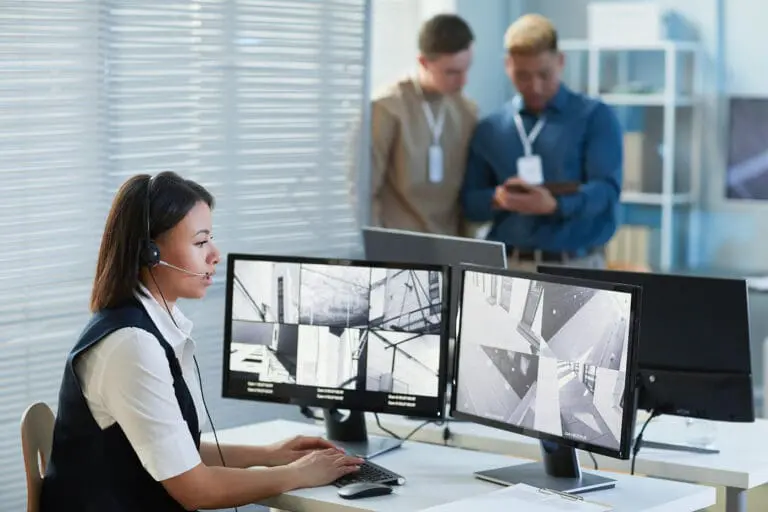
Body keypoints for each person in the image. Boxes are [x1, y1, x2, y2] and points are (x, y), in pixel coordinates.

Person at [40, 171, 362, 511]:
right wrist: (297, 473)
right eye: (200, 242)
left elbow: (173, 450)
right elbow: (197, 490)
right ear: (150, 253)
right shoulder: (131, 345)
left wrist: (271, 456)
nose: (215, 255)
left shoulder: (147, 324)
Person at [460, 14, 623, 271]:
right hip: (508, 267)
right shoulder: (490, 129)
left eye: (544, 74)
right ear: (507, 65)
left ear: (560, 62)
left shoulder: (595, 117)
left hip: (577, 267)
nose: (534, 86)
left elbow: (607, 192)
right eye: (522, 76)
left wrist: (555, 205)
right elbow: (470, 204)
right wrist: (499, 199)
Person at [362, 13, 478, 236]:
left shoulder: (467, 112)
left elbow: (467, 195)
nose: (464, 81)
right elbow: (363, 193)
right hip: (398, 246)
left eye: (467, 69)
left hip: (450, 247)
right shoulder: (387, 108)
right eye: (452, 72)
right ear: (424, 62)